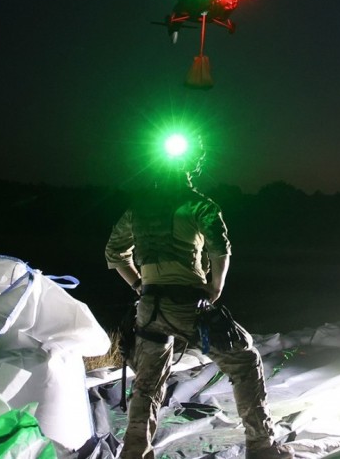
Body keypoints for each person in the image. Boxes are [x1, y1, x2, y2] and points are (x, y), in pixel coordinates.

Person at [105, 134, 293, 459]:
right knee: (245, 361)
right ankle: (262, 446)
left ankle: (134, 452)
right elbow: (221, 248)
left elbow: (114, 253)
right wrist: (215, 288)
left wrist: (139, 285)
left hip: (149, 308)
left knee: (148, 382)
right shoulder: (200, 205)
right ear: (192, 166)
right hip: (187, 302)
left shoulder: (136, 211)